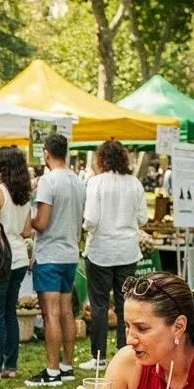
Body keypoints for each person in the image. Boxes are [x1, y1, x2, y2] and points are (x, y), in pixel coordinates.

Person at [80, 140, 148, 373]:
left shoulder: (96, 183)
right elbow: (142, 218)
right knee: (125, 306)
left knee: (98, 305)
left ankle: (98, 356)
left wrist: (84, 225)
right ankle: (126, 352)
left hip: (101, 250)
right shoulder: (135, 184)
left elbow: (91, 219)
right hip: (128, 250)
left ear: (101, 159)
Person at [26, 133, 85, 387]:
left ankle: (52, 371)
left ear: (46, 154)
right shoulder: (78, 181)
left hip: (50, 253)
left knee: (50, 314)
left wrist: (27, 217)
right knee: (65, 312)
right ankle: (67, 365)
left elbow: (42, 221)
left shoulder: (48, 181)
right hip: (70, 252)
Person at [0, 147, 33, 380]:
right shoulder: (23, 194)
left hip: (1, 258)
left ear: (1, 166)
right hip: (20, 257)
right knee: (9, 313)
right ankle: (10, 366)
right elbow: (26, 230)